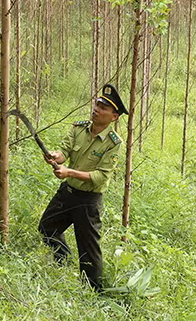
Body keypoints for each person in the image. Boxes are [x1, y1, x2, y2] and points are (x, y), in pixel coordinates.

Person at [38, 84, 128, 292]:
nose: (97, 109)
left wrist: (69, 172)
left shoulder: (114, 143)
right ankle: (62, 261)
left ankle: (93, 292)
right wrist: (55, 156)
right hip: (68, 193)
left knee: (88, 250)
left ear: (114, 117)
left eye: (104, 107)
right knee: (47, 226)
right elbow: (64, 151)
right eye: (97, 104)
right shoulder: (79, 128)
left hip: (88, 201)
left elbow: (99, 177)